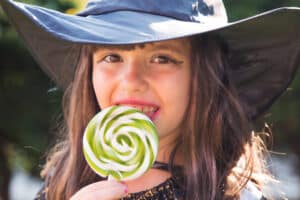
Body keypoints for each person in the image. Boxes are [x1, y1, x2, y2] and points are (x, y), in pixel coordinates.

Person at [1, 0, 300, 199]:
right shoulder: (62, 182)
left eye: (161, 57)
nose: (130, 80)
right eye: (112, 56)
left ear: (205, 76)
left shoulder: (234, 195)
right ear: (88, 72)